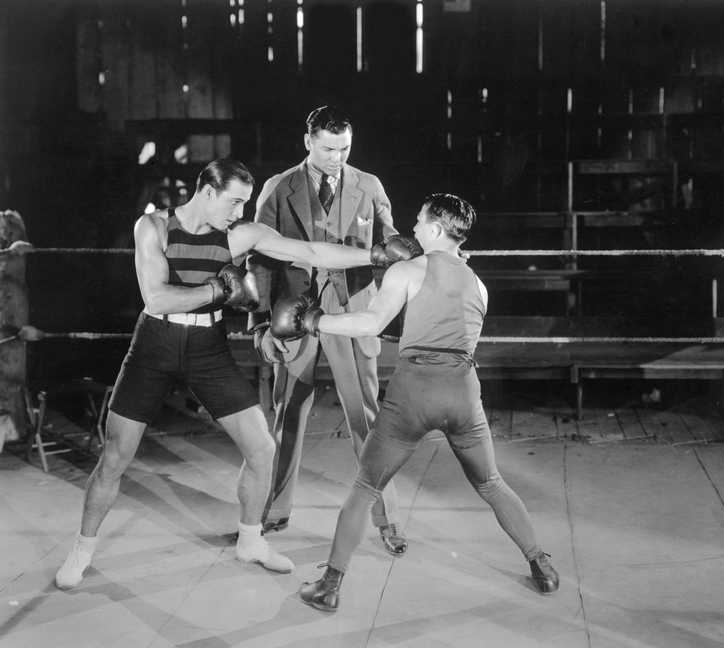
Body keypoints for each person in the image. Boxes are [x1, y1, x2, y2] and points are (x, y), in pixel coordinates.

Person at [55, 158, 417, 590]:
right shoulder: (152, 227)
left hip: (207, 346)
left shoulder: (238, 235)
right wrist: (218, 290)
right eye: (234, 202)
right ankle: (82, 549)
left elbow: (310, 251)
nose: (239, 213)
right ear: (206, 191)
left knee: (262, 448)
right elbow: (157, 297)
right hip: (155, 344)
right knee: (115, 456)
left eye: (245, 203)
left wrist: (374, 255)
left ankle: (250, 540)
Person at [268, 193, 560, 611]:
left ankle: (330, 584)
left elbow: (370, 323)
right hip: (463, 391)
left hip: (415, 391)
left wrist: (315, 320)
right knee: (491, 482)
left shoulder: (409, 269)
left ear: (438, 229)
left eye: (421, 221)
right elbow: (450, 332)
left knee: (367, 485)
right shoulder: (479, 283)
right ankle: (542, 567)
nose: (415, 227)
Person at [246, 106, 410, 554]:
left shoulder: (369, 185)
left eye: (345, 148)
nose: (337, 157)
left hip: (351, 313)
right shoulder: (279, 187)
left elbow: (393, 244)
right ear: (308, 141)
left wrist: (436, 257)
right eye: (327, 148)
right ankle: (269, 512)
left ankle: (388, 518)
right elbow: (258, 256)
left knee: (369, 419)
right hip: (293, 313)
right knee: (286, 412)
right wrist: (260, 322)